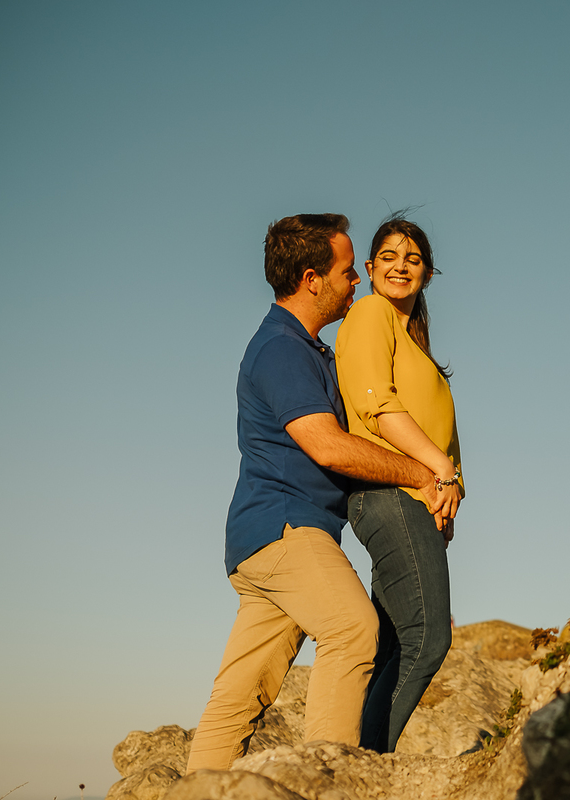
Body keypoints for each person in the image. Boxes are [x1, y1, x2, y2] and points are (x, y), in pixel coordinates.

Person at [185, 213, 441, 773]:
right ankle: (330, 782)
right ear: (311, 278)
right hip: (285, 530)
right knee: (354, 628)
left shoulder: (304, 347)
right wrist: (421, 473)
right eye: (349, 272)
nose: (358, 281)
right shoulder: (281, 349)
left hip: (264, 540)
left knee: (237, 698)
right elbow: (327, 446)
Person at [335, 215, 464, 752]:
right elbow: (375, 405)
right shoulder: (369, 313)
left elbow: (444, 434)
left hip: (418, 503)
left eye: (412, 259)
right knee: (428, 639)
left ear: (428, 274)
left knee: (392, 646)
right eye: (388, 256)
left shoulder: (418, 348)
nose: (400, 266)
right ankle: (370, 764)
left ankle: (362, 759)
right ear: (368, 269)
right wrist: (442, 471)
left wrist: (449, 499)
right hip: (390, 495)